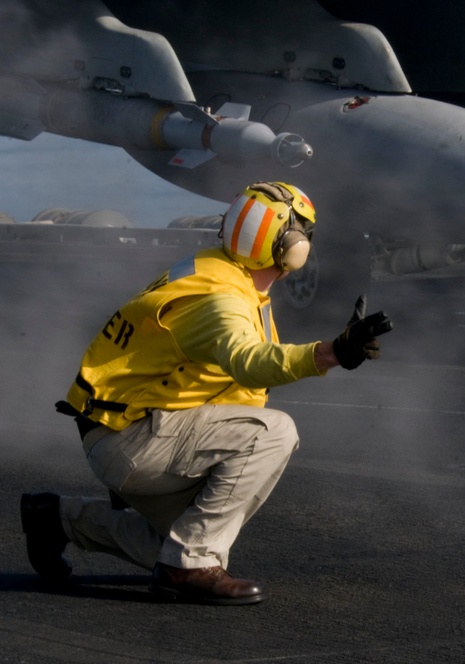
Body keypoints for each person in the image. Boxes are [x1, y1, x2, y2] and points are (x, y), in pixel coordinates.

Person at [20, 181, 392, 605]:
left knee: (172, 543)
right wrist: (331, 353)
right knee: (272, 433)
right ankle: (188, 566)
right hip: (134, 437)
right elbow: (248, 363)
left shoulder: (214, 268)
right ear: (289, 245)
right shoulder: (223, 297)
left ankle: (57, 520)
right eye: (304, 233)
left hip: (123, 423)